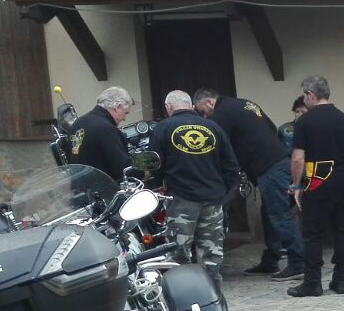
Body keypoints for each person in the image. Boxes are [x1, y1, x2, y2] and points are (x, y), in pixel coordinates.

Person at [193, 88, 303, 280]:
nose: (204, 116)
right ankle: (271, 260)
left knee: (280, 216)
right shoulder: (244, 103)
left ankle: (298, 264)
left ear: (209, 102)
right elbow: (270, 127)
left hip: (270, 168)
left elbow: (218, 145)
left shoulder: (222, 113)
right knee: (269, 214)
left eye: (203, 111)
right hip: (277, 162)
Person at [147, 90, 241, 284]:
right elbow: (231, 166)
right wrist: (223, 194)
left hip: (181, 200)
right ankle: (214, 296)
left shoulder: (163, 128)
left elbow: (154, 165)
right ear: (191, 106)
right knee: (211, 256)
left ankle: (184, 295)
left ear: (168, 108)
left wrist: (158, 188)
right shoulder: (213, 127)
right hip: (213, 201)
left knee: (178, 255)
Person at [287, 75, 344, 297]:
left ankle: (312, 283)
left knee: (312, 233)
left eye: (304, 95)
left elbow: (298, 159)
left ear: (310, 95)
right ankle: (340, 281)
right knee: (342, 231)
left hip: (317, 180)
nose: (303, 100)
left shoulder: (305, 122)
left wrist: (296, 185)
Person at [68, 86, 133, 182]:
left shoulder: (77, 124)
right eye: (125, 113)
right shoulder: (106, 129)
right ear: (117, 106)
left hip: (78, 186)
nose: (124, 118)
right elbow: (122, 168)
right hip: (102, 187)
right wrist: (143, 172)